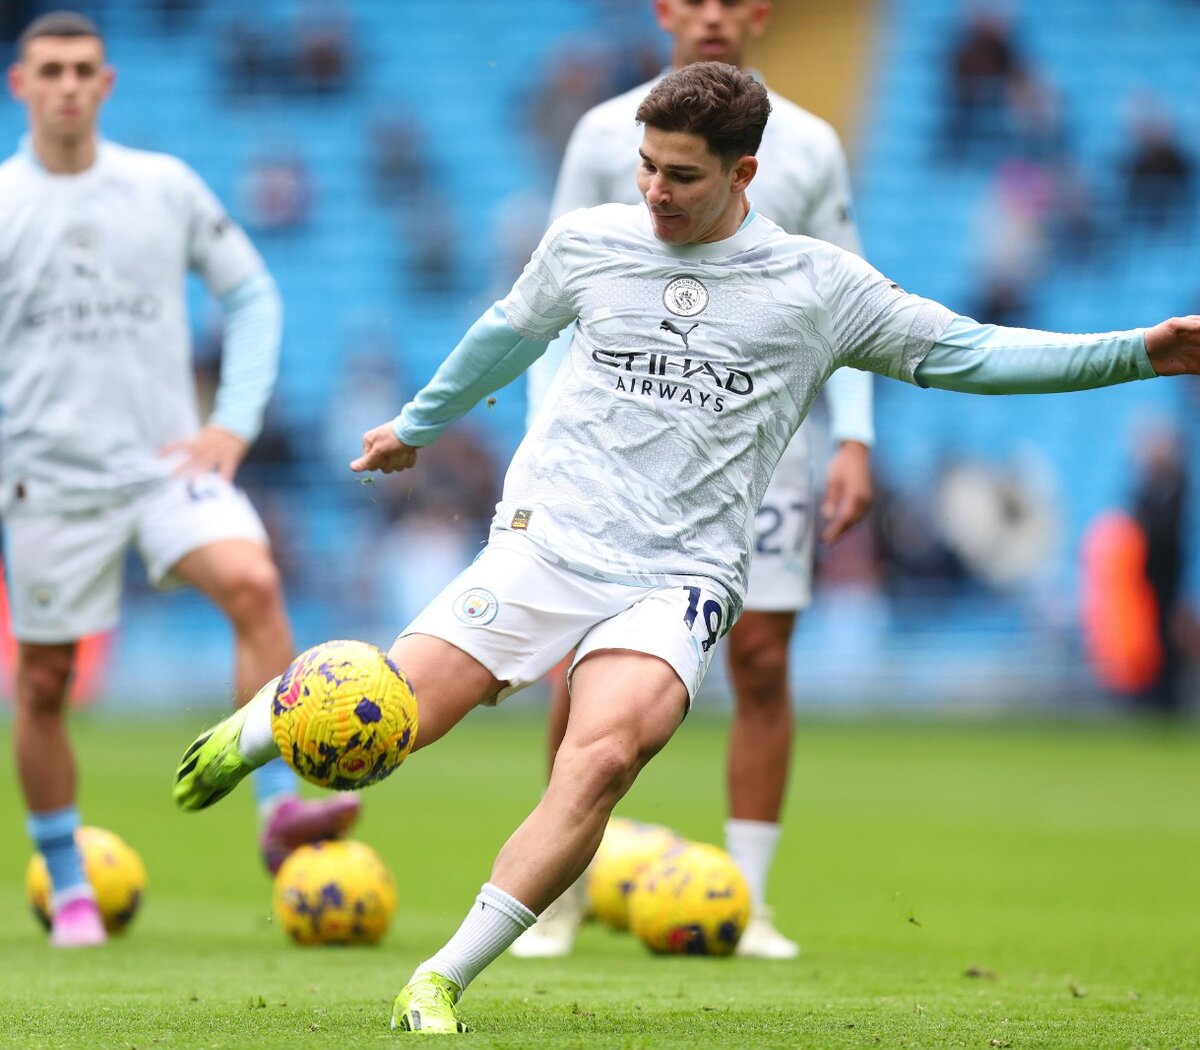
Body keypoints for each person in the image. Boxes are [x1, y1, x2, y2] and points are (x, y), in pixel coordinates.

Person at [175, 62, 1200, 1035]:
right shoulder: (588, 244)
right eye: (647, 167)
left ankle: (441, 978)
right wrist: (417, 424)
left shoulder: (817, 286)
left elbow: (972, 354)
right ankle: (260, 729)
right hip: (545, 546)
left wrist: (1137, 354)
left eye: (683, 176)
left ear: (743, 173)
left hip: (677, 580)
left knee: (603, 758)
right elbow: (507, 330)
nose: (656, 192)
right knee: (388, 728)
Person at [517, 0, 873, 959]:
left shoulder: (811, 144)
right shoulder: (605, 133)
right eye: (694, 1)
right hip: (621, 443)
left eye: (732, 2)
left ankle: (748, 902)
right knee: (584, 660)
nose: (713, 16)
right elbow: (551, 295)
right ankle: (557, 896)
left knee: (761, 662)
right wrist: (545, 436)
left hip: (759, 446)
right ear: (666, 11)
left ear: (758, 15)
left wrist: (856, 437)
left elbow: (852, 291)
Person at [2, 11, 359, 948]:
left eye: (84, 69)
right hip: (47, 480)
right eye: (51, 71)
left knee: (253, 582)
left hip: (168, 464)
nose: (69, 85)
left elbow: (250, 292)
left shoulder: (162, 186)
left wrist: (232, 420)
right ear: (21, 86)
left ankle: (276, 805)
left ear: (107, 84)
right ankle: (72, 886)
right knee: (41, 684)